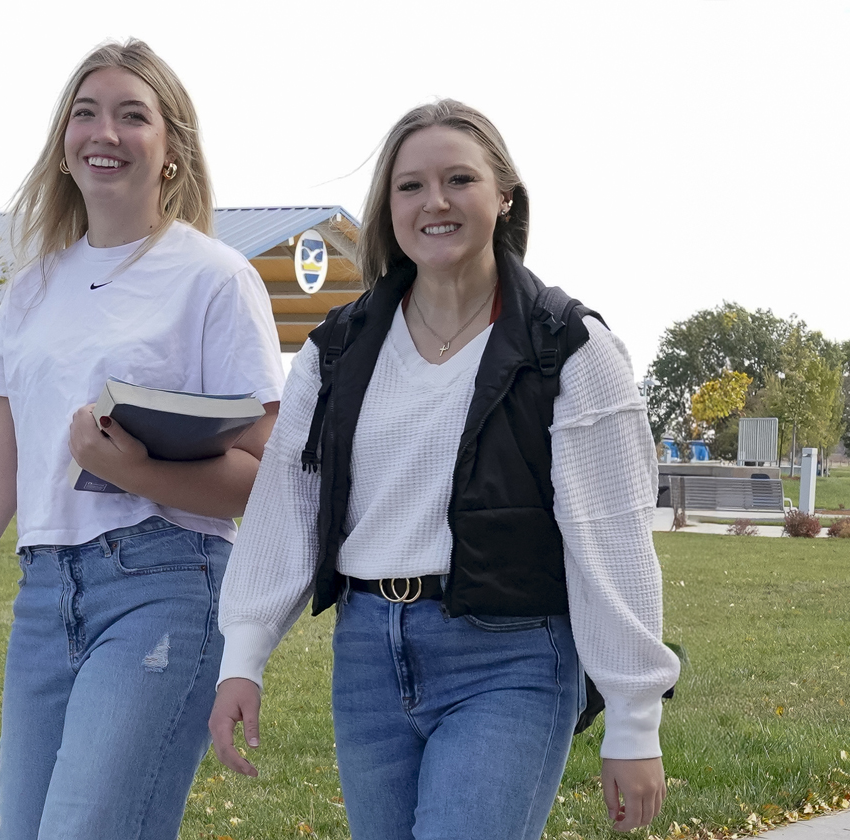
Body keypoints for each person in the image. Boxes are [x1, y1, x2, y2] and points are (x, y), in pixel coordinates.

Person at [209, 100, 682, 840]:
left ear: (504, 196)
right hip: (367, 653)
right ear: (387, 208)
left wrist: (633, 719)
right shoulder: (337, 349)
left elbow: (611, 540)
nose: (435, 202)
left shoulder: (570, 349)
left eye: (459, 179)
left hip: (510, 658)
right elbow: (285, 509)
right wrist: (244, 655)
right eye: (410, 186)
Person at [0, 39, 284, 840]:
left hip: (163, 583)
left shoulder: (215, 278)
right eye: (86, 113)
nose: (107, 132)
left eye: (135, 116)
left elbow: (269, 476)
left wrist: (137, 471)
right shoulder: (31, 292)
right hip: (44, 598)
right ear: (63, 144)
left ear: (171, 149)